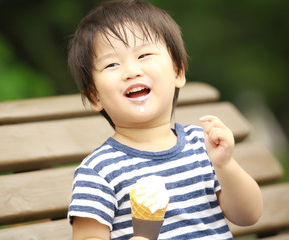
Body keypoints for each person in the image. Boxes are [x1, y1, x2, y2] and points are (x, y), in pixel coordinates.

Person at [67, 0, 263, 239]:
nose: (131, 71)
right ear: (94, 96)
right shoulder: (98, 171)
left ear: (178, 72)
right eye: (112, 64)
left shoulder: (201, 144)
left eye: (144, 55)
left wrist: (225, 166)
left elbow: (249, 215)